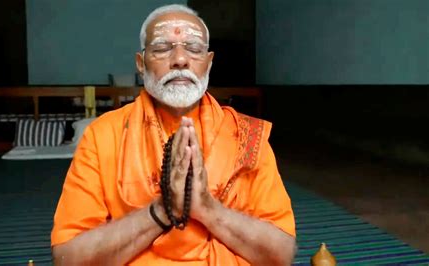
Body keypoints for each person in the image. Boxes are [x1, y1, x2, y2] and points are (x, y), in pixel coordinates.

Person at [51, 4, 296, 265]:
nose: (180, 59)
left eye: (193, 48)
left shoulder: (245, 136)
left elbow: (281, 253)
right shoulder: (103, 136)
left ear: (209, 63)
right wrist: (162, 209)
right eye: (162, 48)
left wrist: (207, 209)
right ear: (140, 64)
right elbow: (69, 257)